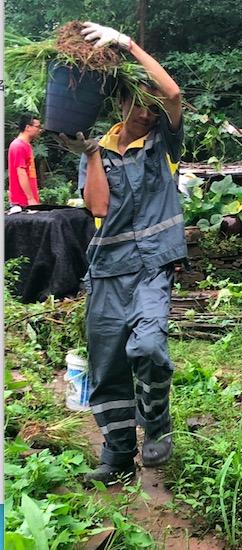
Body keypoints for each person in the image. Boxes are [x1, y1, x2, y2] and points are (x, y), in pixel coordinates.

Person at [59, 21, 185, 484]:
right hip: (108, 269)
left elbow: (173, 94)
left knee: (148, 345)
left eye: (154, 108)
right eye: (141, 103)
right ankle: (115, 458)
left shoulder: (163, 143)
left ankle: (157, 428)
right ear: (123, 102)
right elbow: (98, 206)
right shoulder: (99, 150)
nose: (150, 112)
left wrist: (126, 44)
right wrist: (90, 153)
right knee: (106, 362)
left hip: (153, 265)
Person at [8, 113, 42, 207]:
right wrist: (30, 199)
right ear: (28, 127)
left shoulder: (27, 145)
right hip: (21, 202)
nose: (40, 130)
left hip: (28, 201)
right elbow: (21, 173)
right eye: (37, 126)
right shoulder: (18, 146)